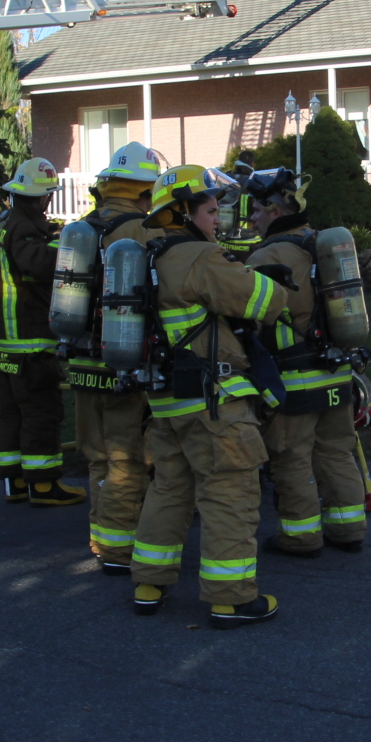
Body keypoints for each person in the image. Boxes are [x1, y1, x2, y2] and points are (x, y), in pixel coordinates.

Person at [128, 165, 290, 629]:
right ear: (183, 212)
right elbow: (266, 302)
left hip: (169, 404)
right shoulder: (199, 257)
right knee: (230, 493)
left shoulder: (153, 255)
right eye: (211, 209)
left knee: (169, 490)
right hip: (213, 403)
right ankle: (231, 598)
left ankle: (148, 582)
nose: (217, 219)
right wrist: (268, 278)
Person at [245, 168, 368, 557]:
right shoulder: (320, 245)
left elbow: (253, 316)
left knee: (291, 457)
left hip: (294, 378)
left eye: (256, 211)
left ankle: (300, 538)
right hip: (336, 373)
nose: (251, 219)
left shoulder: (268, 255)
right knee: (335, 451)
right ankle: (349, 530)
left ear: (275, 212)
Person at [65, 142, 163, 574]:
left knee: (97, 454)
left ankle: (101, 538)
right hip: (122, 362)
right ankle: (121, 550)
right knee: (126, 458)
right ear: (145, 192)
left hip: (81, 359)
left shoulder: (80, 228)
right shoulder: (142, 231)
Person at [0, 157, 85, 507]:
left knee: (11, 413)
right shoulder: (24, 228)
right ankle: (43, 486)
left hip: (2, 345)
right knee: (41, 411)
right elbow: (37, 264)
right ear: (41, 197)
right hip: (28, 342)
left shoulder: (3, 221)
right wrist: (66, 243)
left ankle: (15, 483)